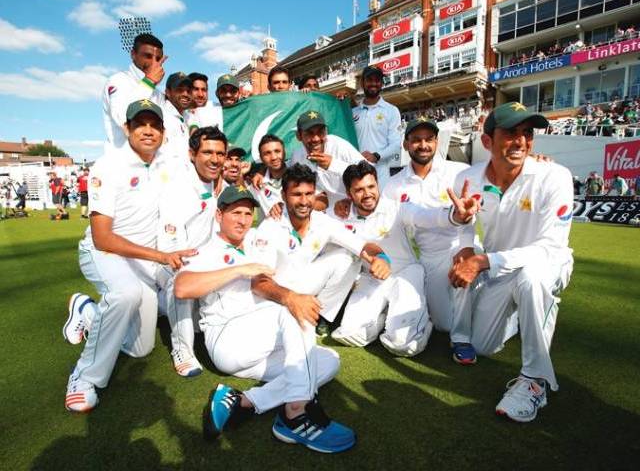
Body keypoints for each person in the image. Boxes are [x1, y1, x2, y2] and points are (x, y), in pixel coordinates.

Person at [174, 185, 356, 453]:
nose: (243, 220)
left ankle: (243, 401)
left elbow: (288, 228)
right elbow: (182, 287)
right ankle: (296, 414)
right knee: (293, 309)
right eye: (235, 213)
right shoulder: (207, 250)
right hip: (228, 339)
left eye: (248, 213)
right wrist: (238, 270)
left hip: (261, 341)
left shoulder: (256, 239)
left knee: (328, 361)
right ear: (219, 215)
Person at [62, 99, 196, 413]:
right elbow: (102, 236)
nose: (148, 131)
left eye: (154, 125)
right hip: (104, 252)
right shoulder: (108, 166)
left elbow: (206, 166)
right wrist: (160, 256)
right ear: (127, 128)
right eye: (140, 124)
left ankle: (88, 311)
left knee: (139, 349)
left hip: (142, 260)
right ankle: (84, 378)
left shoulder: (168, 162)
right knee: (125, 294)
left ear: (163, 131)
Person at [449, 102, 574, 423]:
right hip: (500, 269)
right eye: (511, 133)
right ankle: (527, 312)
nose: (521, 141)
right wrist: (463, 239)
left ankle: (535, 381)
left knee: (531, 280)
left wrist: (483, 260)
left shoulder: (555, 176)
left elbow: (549, 247)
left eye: (527, 134)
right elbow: (463, 223)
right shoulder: (468, 177)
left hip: (547, 264)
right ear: (487, 141)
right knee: (483, 346)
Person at [330, 161, 479, 356]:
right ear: (349, 194)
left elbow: (427, 216)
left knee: (403, 345)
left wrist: (455, 216)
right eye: (358, 190)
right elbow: (312, 217)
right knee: (349, 334)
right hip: (370, 279)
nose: (367, 194)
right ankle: (382, 317)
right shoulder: (340, 215)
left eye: (371, 186)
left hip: (405, 274)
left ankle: (417, 321)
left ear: (378, 185)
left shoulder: (397, 207)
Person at [252, 163, 391, 339]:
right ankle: (298, 311)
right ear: (283, 196)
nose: (304, 201)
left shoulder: (322, 221)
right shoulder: (270, 226)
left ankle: (321, 317)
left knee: (348, 257)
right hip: (274, 295)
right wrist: (291, 298)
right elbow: (258, 283)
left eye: (309, 194)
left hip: (303, 285)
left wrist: (381, 256)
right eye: (296, 194)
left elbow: (361, 245)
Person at [382, 117, 475, 364]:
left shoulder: (457, 172)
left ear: (436, 142)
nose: (423, 145)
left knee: (466, 280)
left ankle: (462, 339)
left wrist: (466, 247)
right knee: (443, 324)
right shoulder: (393, 185)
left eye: (429, 139)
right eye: (416, 140)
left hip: (460, 245)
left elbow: (471, 211)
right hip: (429, 257)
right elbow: (398, 221)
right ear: (405, 144)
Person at [157, 126, 229, 377]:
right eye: (208, 152)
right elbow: (172, 250)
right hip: (171, 261)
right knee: (182, 280)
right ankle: (182, 350)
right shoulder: (179, 187)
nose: (215, 159)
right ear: (192, 154)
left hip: (202, 260)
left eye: (220, 153)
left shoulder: (216, 183)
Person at [290, 110, 364, 210]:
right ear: (299, 136)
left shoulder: (338, 145)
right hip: (325, 214)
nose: (316, 138)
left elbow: (369, 171)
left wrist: (333, 164)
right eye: (309, 133)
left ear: (326, 132)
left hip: (354, 209)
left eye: (321, 132)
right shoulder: (297, 156)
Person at [102, 33, 166, 149]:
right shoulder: (118, 80)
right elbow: (122, 117)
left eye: (158, 58)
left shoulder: (157, 93)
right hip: (122, 161)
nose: (153, 63)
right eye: (147, 56)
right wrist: (149, 81)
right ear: (133, 54)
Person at [352, 66, 403, 189]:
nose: (373, 83)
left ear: (381, 83)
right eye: (369, 80)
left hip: (380, 175)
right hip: (355, 173)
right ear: (362, 83)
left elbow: (396, 144)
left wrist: (376, 156)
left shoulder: (391, 110)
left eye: (377, 80)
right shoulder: (352, 112)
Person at [250, 134, 287, 219]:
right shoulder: (256, 184)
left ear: (284, 152)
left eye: (277, 151)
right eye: (267, 153)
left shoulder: (298, 173)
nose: (274, 157)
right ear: (261, 158)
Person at [161, 72, 192, 161]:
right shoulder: (161, 116)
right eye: (179, 90)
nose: (185, 94)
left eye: (188, 91)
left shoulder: (189, 117)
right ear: (168, 92)